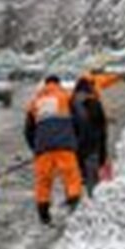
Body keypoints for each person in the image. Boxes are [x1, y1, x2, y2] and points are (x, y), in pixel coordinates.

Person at [24, 75, 83, 225]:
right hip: (65, 145)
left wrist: (35, 147)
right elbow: (80, 120)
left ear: (45, 85)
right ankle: (74, 204)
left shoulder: (35, 102)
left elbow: (28, 130)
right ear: (58, 84)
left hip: (43, 147)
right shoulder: (67, 97)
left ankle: (44, 213)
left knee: (43, 180)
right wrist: (77, 140)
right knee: (71, 176)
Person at [71, 76, 109, 197]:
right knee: (93, 178)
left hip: (76, 148)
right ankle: (93, 198)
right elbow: (103, 129)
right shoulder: (95, 103)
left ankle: (75, 201)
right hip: (93, 147)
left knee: (75, 177)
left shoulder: (71, 104)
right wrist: (103, 153)